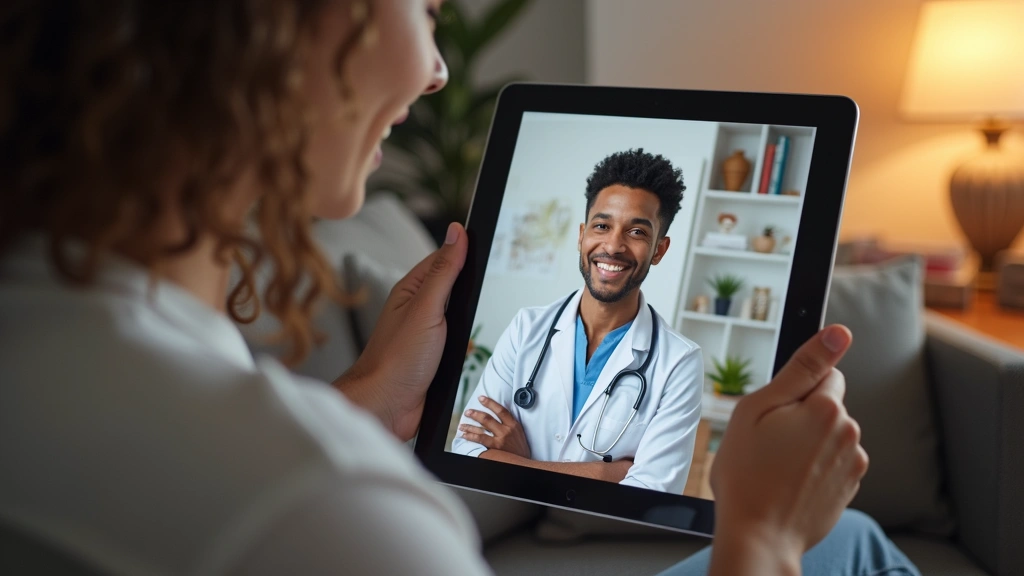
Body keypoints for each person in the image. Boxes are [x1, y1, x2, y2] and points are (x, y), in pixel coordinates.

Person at [0, 1, 920, 575]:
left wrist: (365, 404)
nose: (439, 68)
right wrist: (758, 540)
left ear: (661, 246)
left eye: (635, 230)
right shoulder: (332, 514)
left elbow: (572, 459)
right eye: (429, 8)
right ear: (291, 26)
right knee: (842, 548)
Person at [451, 149, 704, 494]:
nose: (613, 246)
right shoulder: (527, 328)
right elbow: (466, 448)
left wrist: (520, 464)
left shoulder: (679, 362)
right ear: (582, 234)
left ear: (659, 250)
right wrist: (604, 475)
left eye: (637, 233)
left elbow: (650, 492)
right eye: (602, 226)